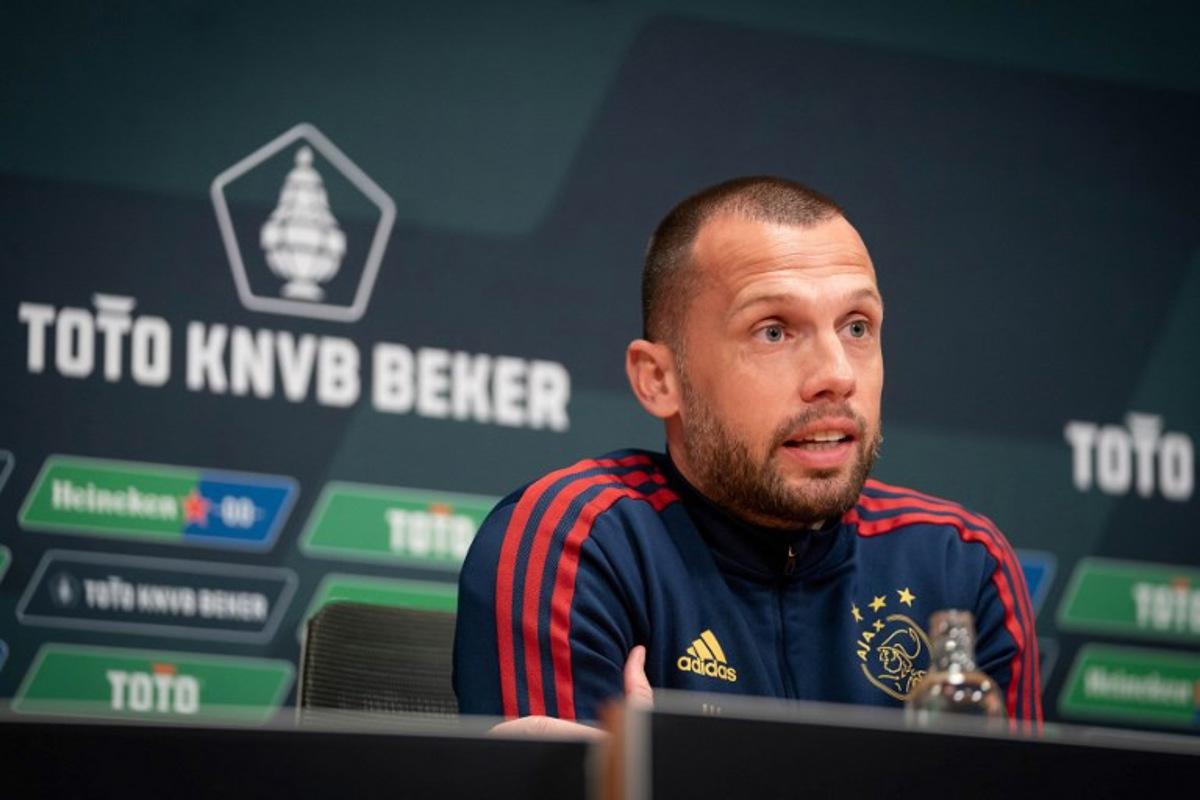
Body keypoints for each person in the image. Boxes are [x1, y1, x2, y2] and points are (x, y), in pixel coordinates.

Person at [453, 176, 1041, 731]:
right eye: (773, 331)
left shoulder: (961, 564)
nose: (837, 375)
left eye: (857, 327)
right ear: (659, 379)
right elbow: (563, 786)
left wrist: (667, 777)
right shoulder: (578, 545)